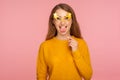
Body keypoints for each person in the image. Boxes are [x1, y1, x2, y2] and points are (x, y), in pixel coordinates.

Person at [37, 3, 93, 80]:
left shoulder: (81, 43)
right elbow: (41, 76)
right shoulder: (45, 46)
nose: (62, 22)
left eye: (66, 18)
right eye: (58, 18)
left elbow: (88, 76)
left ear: (72, 20)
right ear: (53, 21)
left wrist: (76, 51)